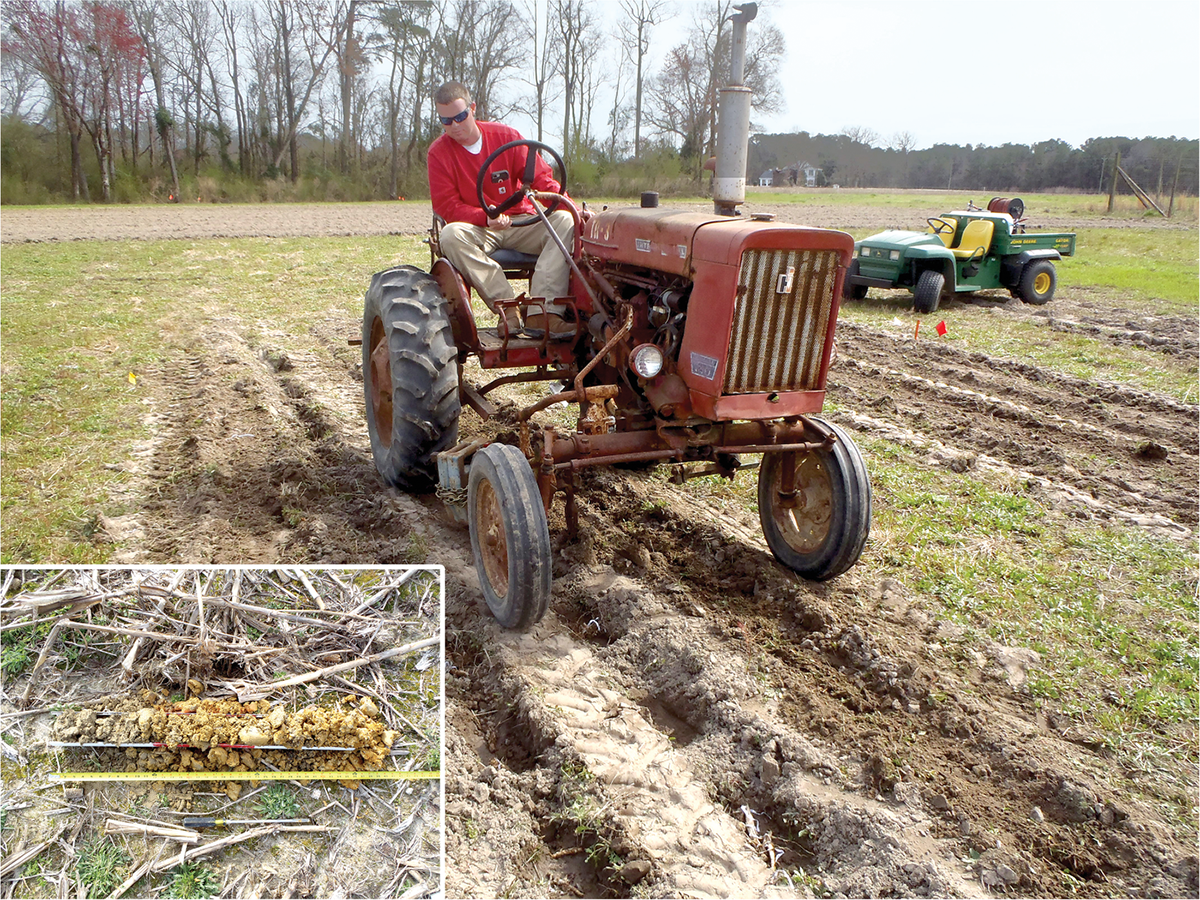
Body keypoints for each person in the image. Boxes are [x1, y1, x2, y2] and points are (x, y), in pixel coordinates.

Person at [427, 82, 577, 338]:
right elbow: (446, 206)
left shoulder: (506, 137)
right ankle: (508, 309)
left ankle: (543, 314)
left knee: (565, 221)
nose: (455, 126)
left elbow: (543, 180)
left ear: (472, 109)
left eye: (460, 117)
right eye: (446, 120)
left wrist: (572, 207)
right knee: (450, 235)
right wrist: (485, 217)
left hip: (521, 222)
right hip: (479, 227)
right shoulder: (438, 154)